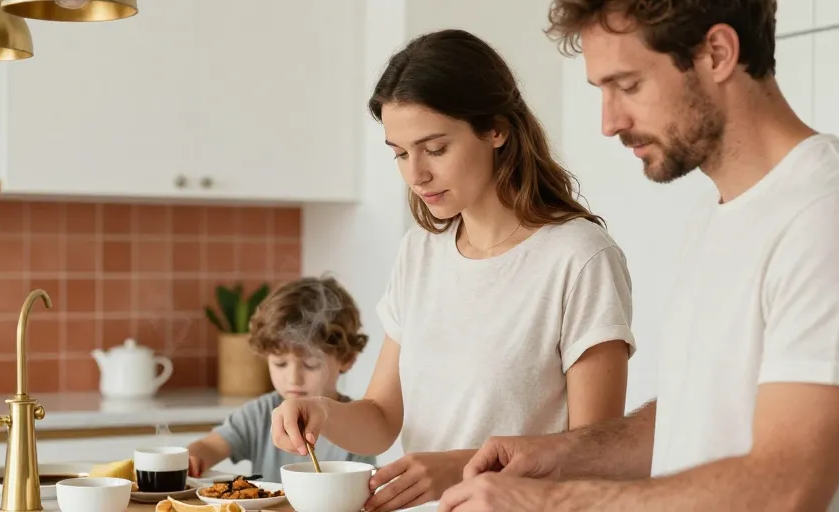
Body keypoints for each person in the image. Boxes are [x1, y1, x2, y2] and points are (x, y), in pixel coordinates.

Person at [438, 1, 839, 511]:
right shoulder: (716, 215)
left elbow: (790, 486)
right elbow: (693, 417)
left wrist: (550, 502)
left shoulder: (827, 213)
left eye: (628, 85)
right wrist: (559, 455)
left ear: (717, 54)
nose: (610, 123)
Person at [271, 29, 637, 511]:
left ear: (496, 129)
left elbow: (595, 457)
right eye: (400, 153)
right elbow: (382, 417)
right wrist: (320, 411)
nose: (415, 173)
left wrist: (457, 467)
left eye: (435, 148)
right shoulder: (419, 253)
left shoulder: (579, 257)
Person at [185, 276, 376, 484]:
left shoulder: (358, 425)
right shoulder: (259, 414)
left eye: (310, 364)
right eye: (280, 364)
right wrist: (191, 457)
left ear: (346, 359)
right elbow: (211, 446)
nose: (293, 379)